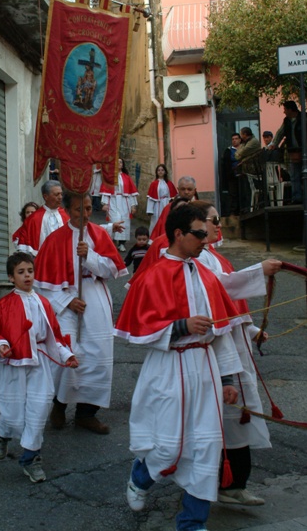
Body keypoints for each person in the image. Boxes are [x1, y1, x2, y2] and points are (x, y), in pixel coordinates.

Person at [114, 204, 241, 530]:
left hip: (205, 369)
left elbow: (221, 333)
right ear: (178, 234)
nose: (205, 240)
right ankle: (141, 476)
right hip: (169, 367)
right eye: (199, 234)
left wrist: (228, 378)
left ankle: (192, 523)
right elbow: (139, 333)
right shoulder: (153, 276)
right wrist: (182, 326)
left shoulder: (207, 276)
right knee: (168, 445)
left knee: (207, 448)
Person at [191, 200, 282, 506]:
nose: (219, 225)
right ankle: (219, 483)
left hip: (234, 341)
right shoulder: (198, 261)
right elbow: (220, 290)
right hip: (216, 347)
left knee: (239, 416)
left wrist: (251, 329)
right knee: (225, 416)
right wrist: (258, 270)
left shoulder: (215, 256)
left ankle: (234, 483)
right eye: (214, 220)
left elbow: (231, 305)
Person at [0, 252, 78, 483]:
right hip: (14, 365)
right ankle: (2, 433)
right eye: (21, 272)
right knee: (13, 411)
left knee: (40, 408)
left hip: (39, 363)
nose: (27, 276)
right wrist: (1, 346)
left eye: (30, 271)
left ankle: (31, 458)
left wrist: (67, 355)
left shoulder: (44, 303)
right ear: (11, 277)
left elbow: (54, 335)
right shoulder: (2, 306)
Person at [34, 191, 128, 434]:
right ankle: (59, 404)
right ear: (68, 210)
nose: (86, 214)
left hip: (95, 298)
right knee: (68, 356)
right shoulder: (54, 240)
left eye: (88, 208)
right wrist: (67, 301)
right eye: (79, 210)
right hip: (65, 303)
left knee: (98, 357)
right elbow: (41, 286)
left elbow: (112, 270)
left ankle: (87, 413)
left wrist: (90, 256)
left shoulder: (98, 234)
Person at [17, 181, 69, 256]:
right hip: (41, 260)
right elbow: (24, 248)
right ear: (46, 196)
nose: (60, 197)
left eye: (61, 194)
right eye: (57, 194)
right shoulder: (33, 219)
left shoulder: (67, 216)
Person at [100, 157, 138, 252]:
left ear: (123, 164)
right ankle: (112, 242)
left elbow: (131, 193)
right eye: (117, 162)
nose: (119, 163)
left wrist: (133, 205)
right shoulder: (109, 177)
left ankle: (122, 243)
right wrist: (105, 203)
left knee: (124, 221)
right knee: (113, 220)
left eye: (121, 162)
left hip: (125, 202)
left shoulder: (127, 177)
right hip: (113, 201)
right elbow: (105, 191)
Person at [268, 101, 304, 203]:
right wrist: (274, 144)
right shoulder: (287, 121)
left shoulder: (304, 118)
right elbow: (280, 133)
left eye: (285, 109)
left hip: (303, 151)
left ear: (290, 109)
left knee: (301, 174)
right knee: (294, 176)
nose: (284, 112)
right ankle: (297, 198)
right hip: (292, 152)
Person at [150, 176, 198, 240]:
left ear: (195, 190)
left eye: (189, 189)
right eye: (183, 189)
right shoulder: (169, 208)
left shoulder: (200, 207)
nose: (186, 192)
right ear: (178, 190)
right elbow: (163, 229)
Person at [146, 163, 177, 233]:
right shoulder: (154, 184)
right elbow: (151, 198)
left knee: (166, 219)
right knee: (156, 220)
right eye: (159, 170)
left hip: (167, 204)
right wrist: (150, 210)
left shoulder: (169, 183)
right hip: (157, 205)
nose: (160, 172)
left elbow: (174, 196)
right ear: (156, 172)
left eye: (162, 170)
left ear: (165, 172)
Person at [221, 133, 241, 216]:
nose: (234, 140)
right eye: (233, 139)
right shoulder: (228, 151)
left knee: (242, 193)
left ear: (240, 140)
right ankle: (233, 212)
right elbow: (226, 164)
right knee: (233, 194)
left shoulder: (244, 149)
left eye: (236, 139)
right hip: (232, 176)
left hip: (243, 175)